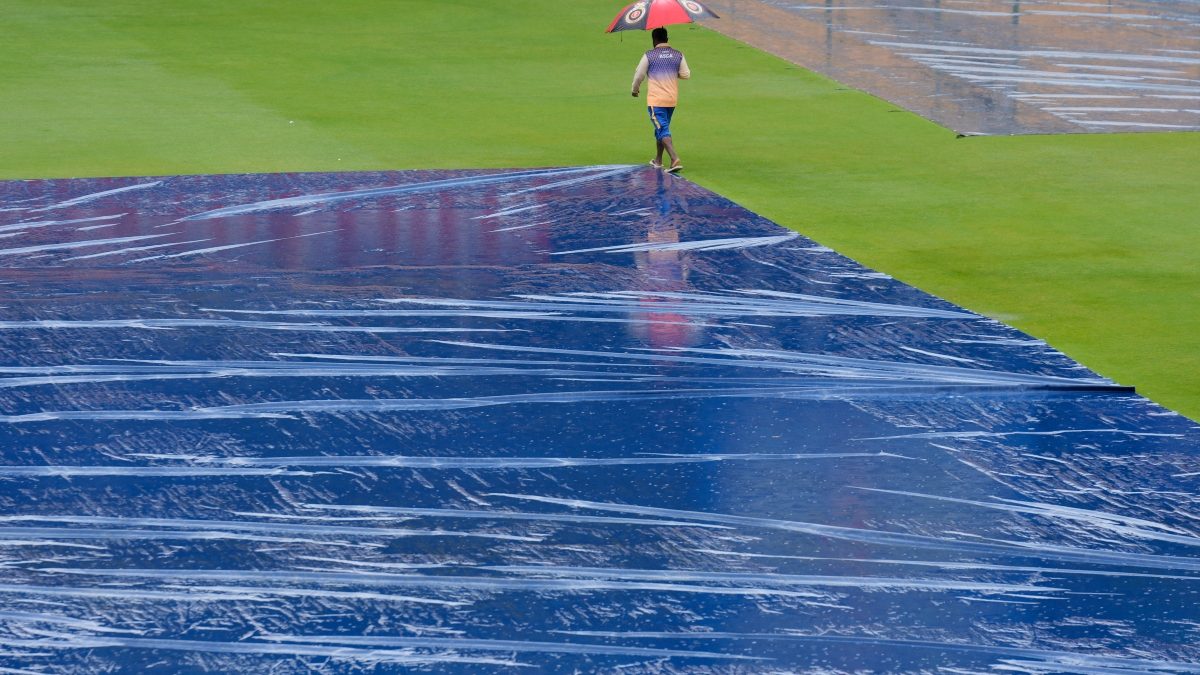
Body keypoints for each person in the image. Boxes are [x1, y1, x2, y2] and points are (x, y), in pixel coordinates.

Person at [631, 27, 690, 173]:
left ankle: (675, 159)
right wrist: (670, 72)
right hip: (671, 100)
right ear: (667, 39)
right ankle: (658, 160)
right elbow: (686, 74)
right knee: (661, 128)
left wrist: (635, 90)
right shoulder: (678, 55)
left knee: (662, 128)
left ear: (654, 40)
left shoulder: (649, 55)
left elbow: (639, 74)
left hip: (656, 100)